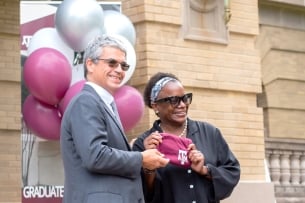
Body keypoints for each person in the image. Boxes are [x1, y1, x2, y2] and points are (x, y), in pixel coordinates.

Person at [60, 35, 169, 203]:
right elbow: (95, 156)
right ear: (90, 64)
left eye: (123, 65)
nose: (119, 70)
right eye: (112, 63)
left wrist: (131, 150)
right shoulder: (86, 101)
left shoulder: (103, 103)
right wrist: (141, 158)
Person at [132, 72, 241, 203]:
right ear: (155, 105)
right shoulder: (144, 145)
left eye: (185, 98)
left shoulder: (209, 133)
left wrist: (205, 170)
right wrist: (149, 168)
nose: (182, 105)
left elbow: (232, 171)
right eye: (174, 100)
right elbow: (140, 193)